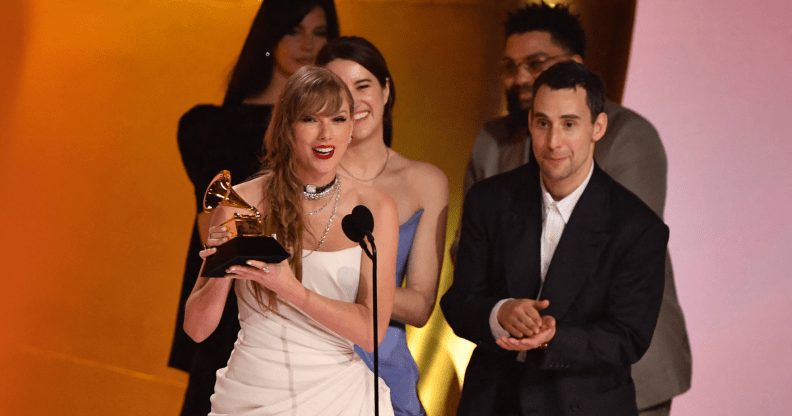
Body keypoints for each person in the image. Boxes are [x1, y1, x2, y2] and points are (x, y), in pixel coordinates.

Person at [453, 3, 691, 414]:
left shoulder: (629, 135)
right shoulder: (494, 139)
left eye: (537, 63)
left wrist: (542, 328)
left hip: (610, 375)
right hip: (507, 377)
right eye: (511, 66)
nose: (521, 77)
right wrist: (501, 311)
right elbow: (468, 259)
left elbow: (609, 251)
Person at [184, 66, 399, 415]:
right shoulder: (241, 201)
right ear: (287, 128)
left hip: (340, 398)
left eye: (339, 119)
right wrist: (223, 265)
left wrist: (289, 288)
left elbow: (371, 333)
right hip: (252, 394)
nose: (325, 134)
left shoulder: (375, 209)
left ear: (351, 131)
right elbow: (196, 329)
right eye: (310, 119)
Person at [170, 1, 340, 415]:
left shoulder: (335, 129)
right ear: (270, 36)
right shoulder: (214, 127)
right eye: (293, 30)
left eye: (319, 34)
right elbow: (214, 227)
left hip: (314, 315)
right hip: (234, 304)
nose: (306, 45)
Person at [316, 36, 449, 416]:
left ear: (386, 90)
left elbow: (422, 306)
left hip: (385, 368)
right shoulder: (301, 179)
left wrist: (328, 277)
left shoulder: (425, 181)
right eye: (337, 91)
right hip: (312, 361)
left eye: (363, 86)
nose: (354, 103)